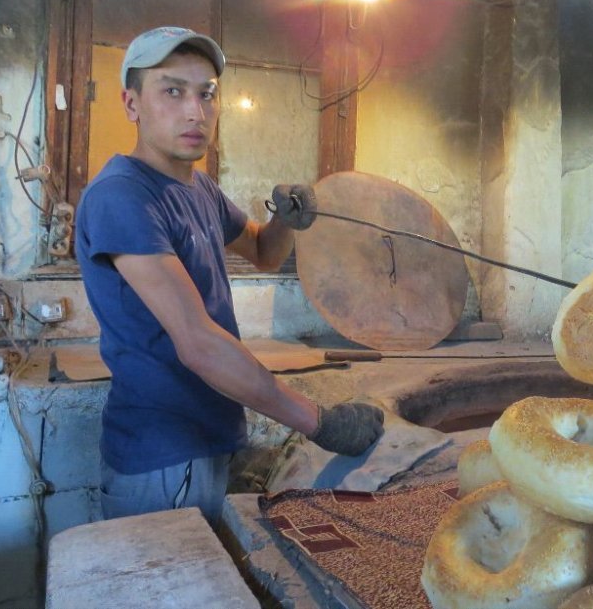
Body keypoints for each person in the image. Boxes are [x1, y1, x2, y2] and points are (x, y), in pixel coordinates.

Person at [75, 26, 384, 524]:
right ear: (132, 104)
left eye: (207, 94)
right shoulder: (122, 196)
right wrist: (319, 422)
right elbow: (198, 344)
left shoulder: (200, 188)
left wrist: (287, 219)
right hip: (165, 455)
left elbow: (263, 252)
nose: (195, 112)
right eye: (172, 91)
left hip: (209, 434)